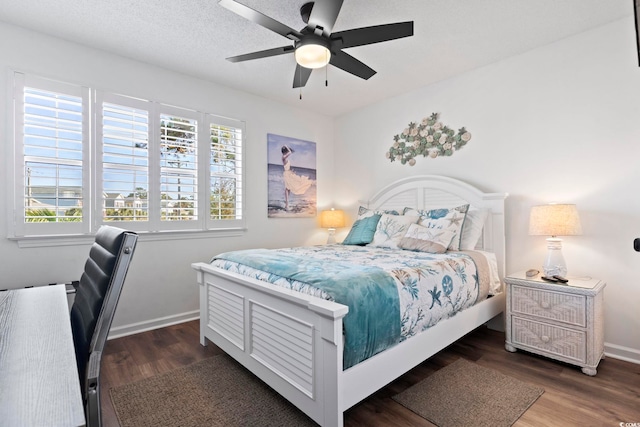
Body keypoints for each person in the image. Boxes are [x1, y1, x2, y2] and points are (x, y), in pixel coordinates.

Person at [281, 145, 313, 210]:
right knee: (287, 188)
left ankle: (287, 203)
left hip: (288, 173)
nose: (288, 152)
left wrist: (291, 171)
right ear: (285, 151)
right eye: (286, 150)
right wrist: (286, 146)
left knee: (288, 188)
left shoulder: (285, 157)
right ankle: (287, 204)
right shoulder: (284, 157)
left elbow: (287, 167)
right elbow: (289, 152)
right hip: (287, 174)